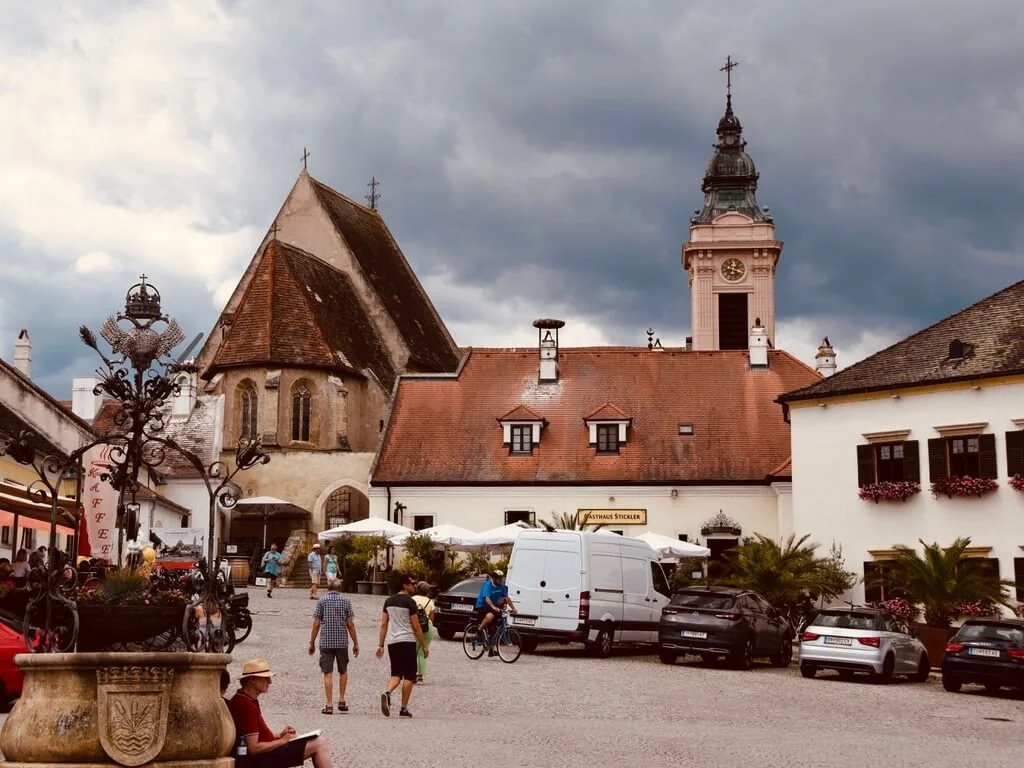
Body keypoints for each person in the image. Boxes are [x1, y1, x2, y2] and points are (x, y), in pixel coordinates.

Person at [226, 658, 333, 768]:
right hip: (259, 759)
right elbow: (254, 748)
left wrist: (280, 735)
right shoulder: (246, 706)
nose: (269, 682)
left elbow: (257, 735)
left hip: (263, 753)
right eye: (265, 678)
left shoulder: (244, 699)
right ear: (252, 679)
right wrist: (283, 741)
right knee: (319, 744)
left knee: (318, 742)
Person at [375, 575, 428, 718]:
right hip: (407, 641)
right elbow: (416, 626)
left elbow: (384, 624)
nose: (414, 586)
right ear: (405, 585)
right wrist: (424, 645)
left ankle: (388, 692)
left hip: (393, 642)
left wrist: (380, 644)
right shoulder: (410, 602)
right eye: (412, 583)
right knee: (409, 676)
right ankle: (403, 708)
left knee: (396, 674)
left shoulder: (388, 601)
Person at [309, 578, 358, 714]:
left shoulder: (322, 601)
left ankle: (329, 704)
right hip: (342, 642)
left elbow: (316, 623)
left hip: (326, 641)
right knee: (343, 671)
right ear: (339, 588)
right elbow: (350, 624)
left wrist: (312, 642)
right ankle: (341, 700)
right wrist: (355, 642)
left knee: (327, 673)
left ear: (328, 588)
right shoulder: (346, 601)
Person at [475, 569, 516, 655]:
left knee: (495, 628)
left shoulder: (501, 587)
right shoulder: (488, 585)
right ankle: (479, 630)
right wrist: (493, 607)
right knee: (490, 616)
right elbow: (487, 598)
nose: (501, 580)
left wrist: (513, 608)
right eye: (499, 578)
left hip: (492, 607)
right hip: (482, 605)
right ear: (494, 578)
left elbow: (506, 598)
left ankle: (492, 650)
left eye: (501, 578)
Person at [411, 581, 436, 683]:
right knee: (422, 651)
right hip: (428, 628)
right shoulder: (430, 602)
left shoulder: (412, 599)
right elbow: (432, 619)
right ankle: (420, 675)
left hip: (415, 627)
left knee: (413, 651)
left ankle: (412, 673)